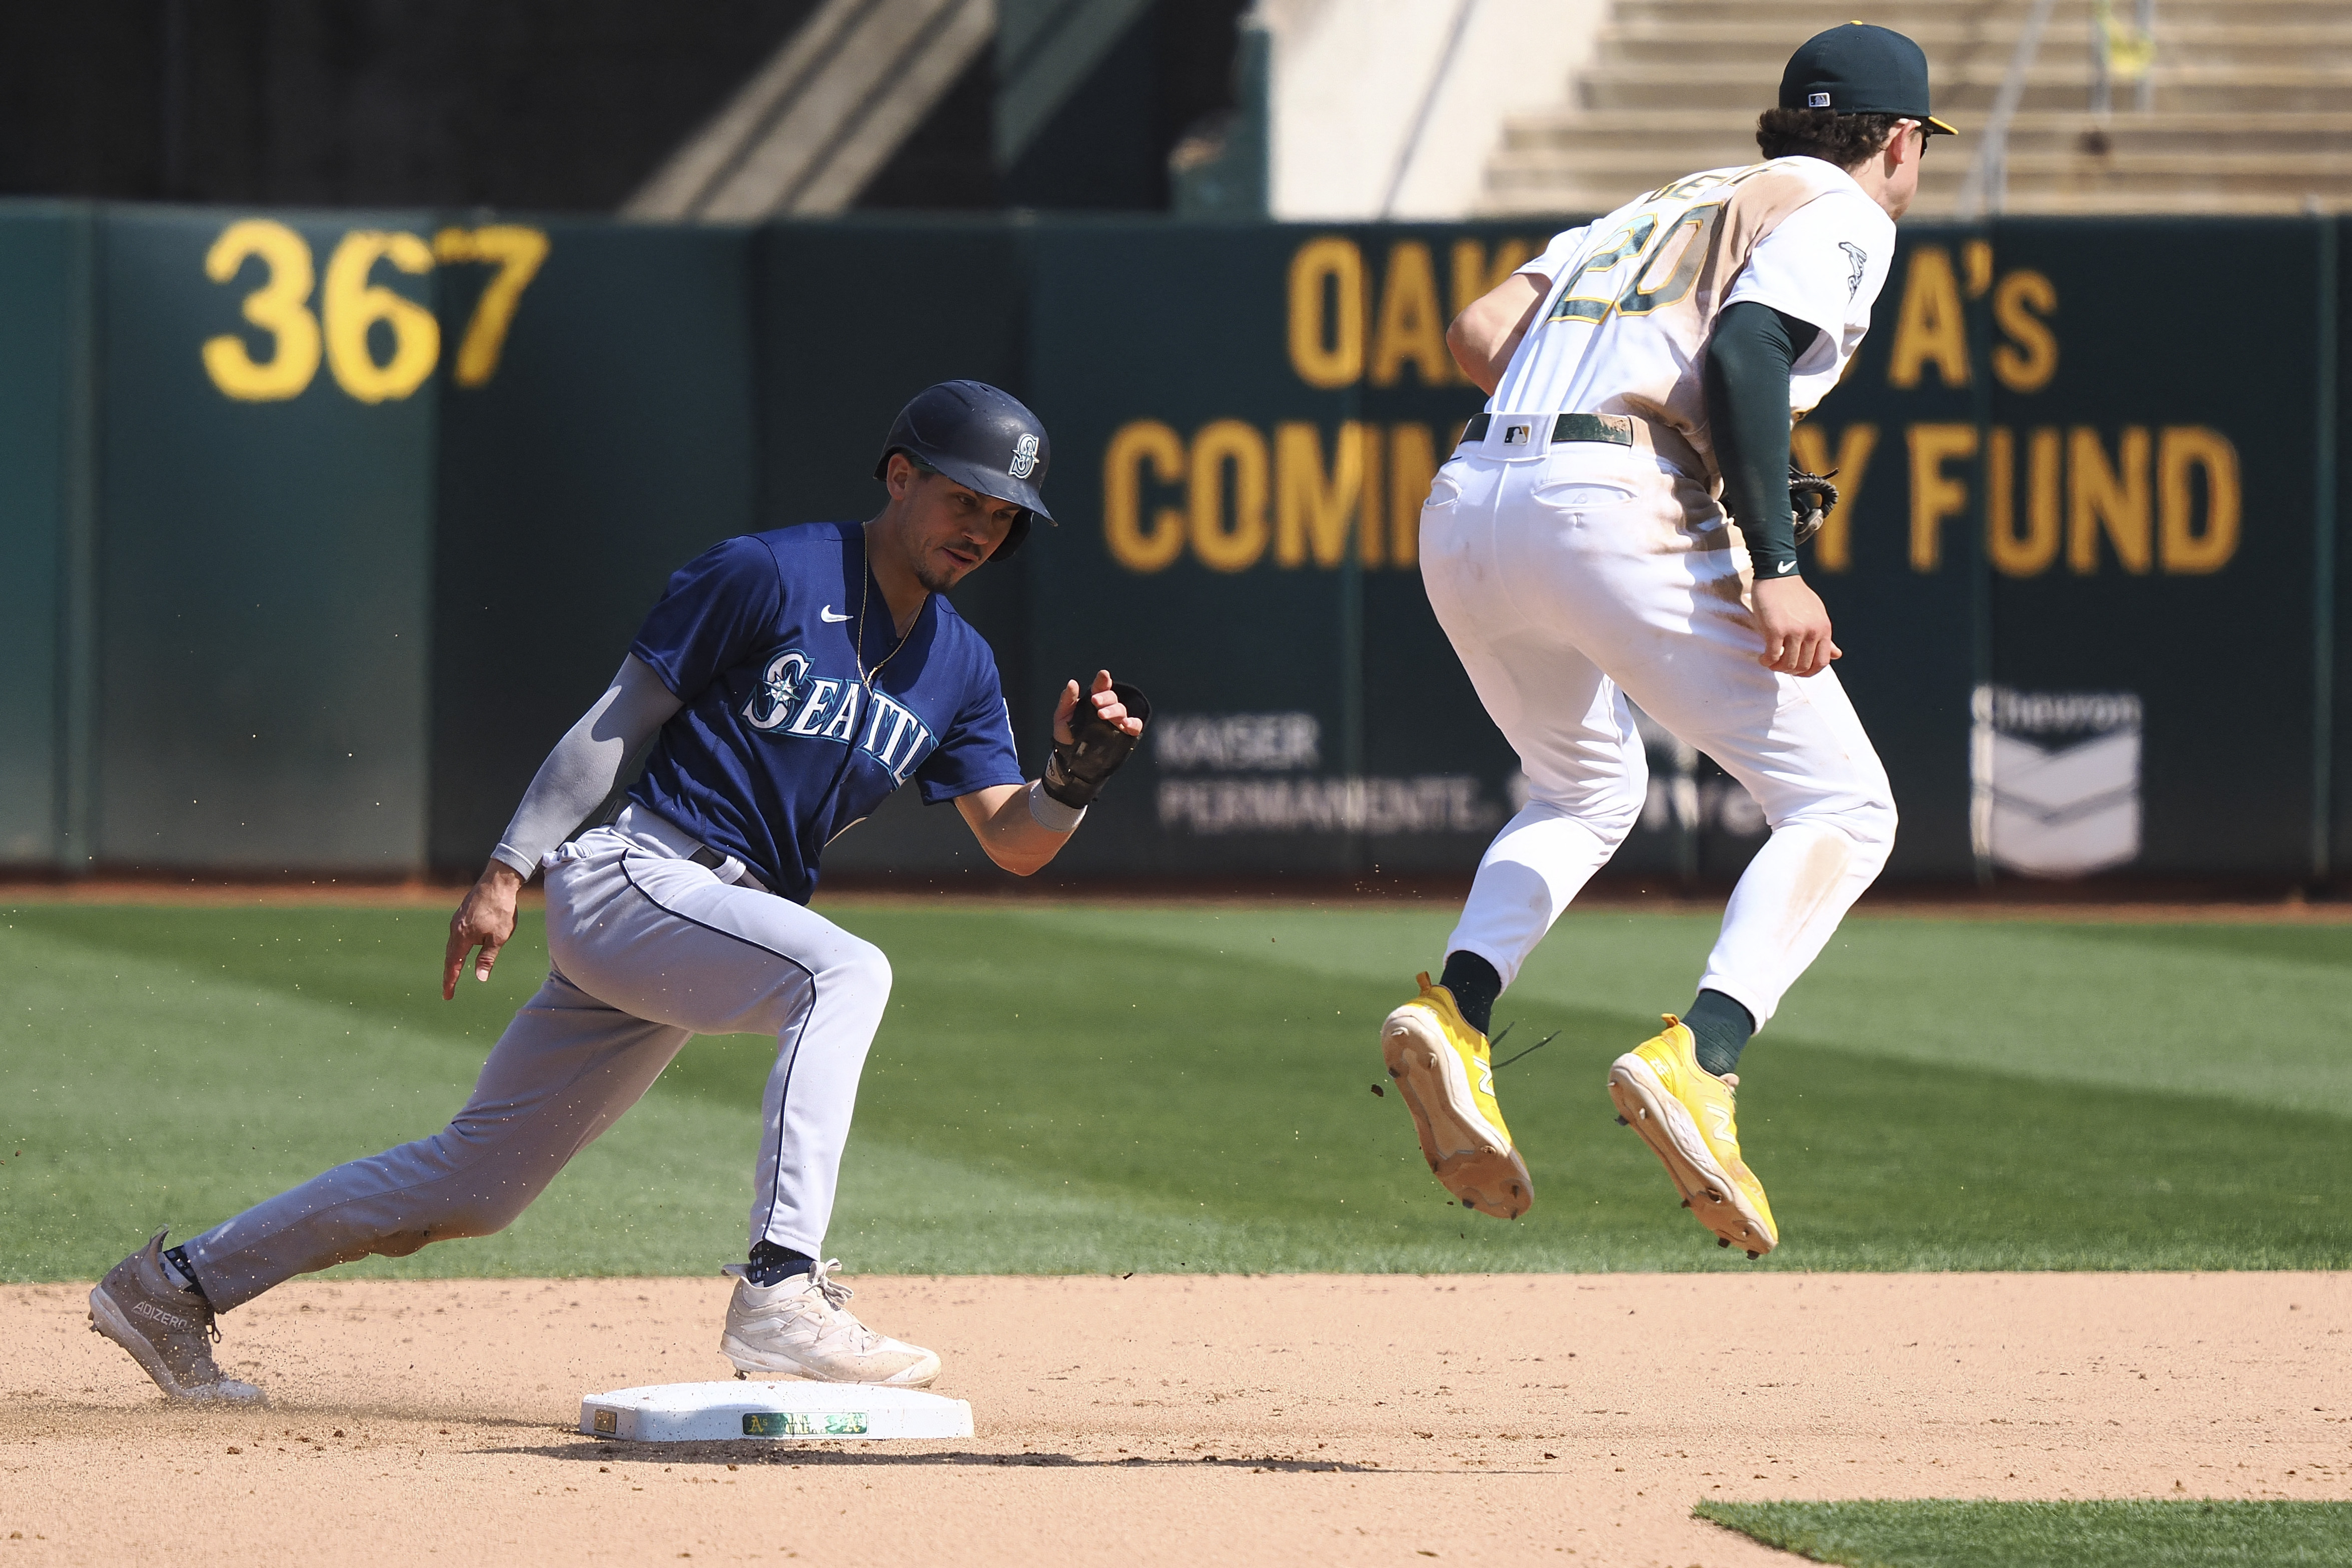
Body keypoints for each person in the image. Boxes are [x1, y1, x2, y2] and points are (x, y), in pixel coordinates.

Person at [88, 380, 1148, 1403]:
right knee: (843, 970)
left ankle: (173, 1287)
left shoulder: (957, 665)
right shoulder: (768, 572)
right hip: (636, 874)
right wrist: (508, 866)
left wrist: (1073, 779)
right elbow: (618, 720)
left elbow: (1012, 839)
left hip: (698, 924)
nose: (980, 528)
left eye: (1003, 516)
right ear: (899, 474)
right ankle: (781, 1285)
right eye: (964, 497)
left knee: (473, 1187)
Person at [1379, 26, 1947, 1256]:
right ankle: (1703, 1058)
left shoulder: (1657, 203)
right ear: (1897, 140)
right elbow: (1746, 350)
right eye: (1916, 149)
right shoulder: (1845, 211)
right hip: (1611, 502)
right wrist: (1775, 565)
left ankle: (1459, 1011)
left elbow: (1476, 337)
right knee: (1845, 809)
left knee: (1585, 785)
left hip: (1468, 502)